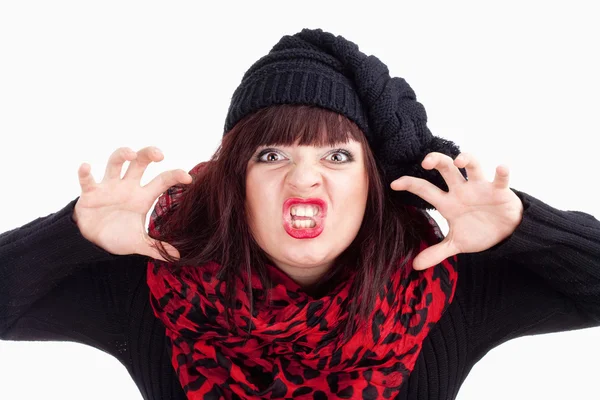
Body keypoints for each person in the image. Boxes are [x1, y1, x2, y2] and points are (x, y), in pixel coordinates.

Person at [1, 28, 599, 400]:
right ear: (235, 181)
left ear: (374, 184)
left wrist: (522, 230)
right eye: (272, 153)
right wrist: (74, 236)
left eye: (337, 155)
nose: (304, 177)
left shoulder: (442, 289)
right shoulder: (154, 286)